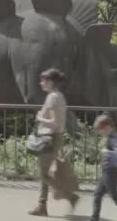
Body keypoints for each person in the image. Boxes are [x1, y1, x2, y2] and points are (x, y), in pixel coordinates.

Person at [28, 68, 79, 217]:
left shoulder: (53, 97)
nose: (41, 83)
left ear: (51, 82)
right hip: (54, 137)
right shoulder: (58, 96)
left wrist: (40, 118)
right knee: (44, 173)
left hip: (50, 137)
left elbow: (54, 122)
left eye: (44, 80)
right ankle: (41, 206)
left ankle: (71, 196)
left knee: (43, 175)